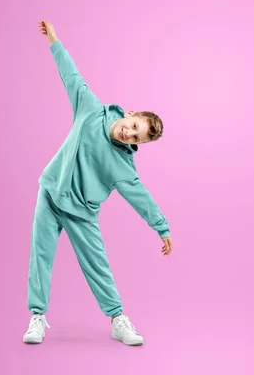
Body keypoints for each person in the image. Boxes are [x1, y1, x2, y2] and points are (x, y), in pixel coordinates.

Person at [23, 20, 173, 347]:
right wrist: (54, 41)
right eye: (132, 125)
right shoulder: (90, 110)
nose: (129, 133)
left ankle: (118, 319)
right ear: (129, 113)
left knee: (98, 265)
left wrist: (161, 227)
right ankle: (37, 317)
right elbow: (71, 76)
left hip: (81, 212)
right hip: (50, 193)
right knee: (41, 255)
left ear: (139, 144)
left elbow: (140, 197)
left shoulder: (123, 166)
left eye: (136, 137)